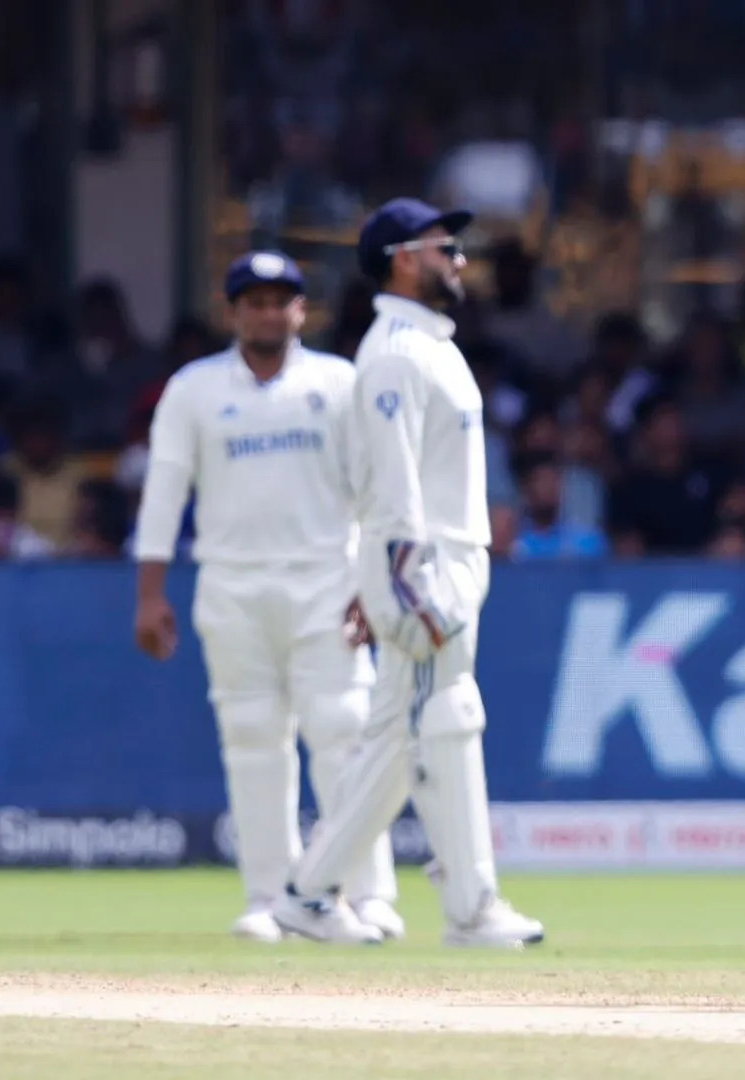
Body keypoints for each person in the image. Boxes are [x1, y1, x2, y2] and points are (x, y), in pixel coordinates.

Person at [273, 197, 544, 948]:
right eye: (443, 248)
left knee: (401, 739)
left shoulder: (429, 346)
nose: (459, 260)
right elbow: (389, 481)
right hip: (426, 568)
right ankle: (472, 909)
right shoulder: (394, 351)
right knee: (446, 720)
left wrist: (385, 580)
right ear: (400, 259)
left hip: (440, 563)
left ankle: (308, 893)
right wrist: (401, 580)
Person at [132, 251, 399, 944]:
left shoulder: (338, 383)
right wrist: (150, 594)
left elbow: (375, 490)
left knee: (343, 731)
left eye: (281, 300)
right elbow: (165, 491)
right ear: (232, 312)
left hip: (326, 578)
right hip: (231, 584)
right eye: (254, 301)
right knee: (252, 738)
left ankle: (366, 894)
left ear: (301, 310)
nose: (268, 313)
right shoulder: (193, 389)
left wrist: (372, 582)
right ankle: (270, 897)